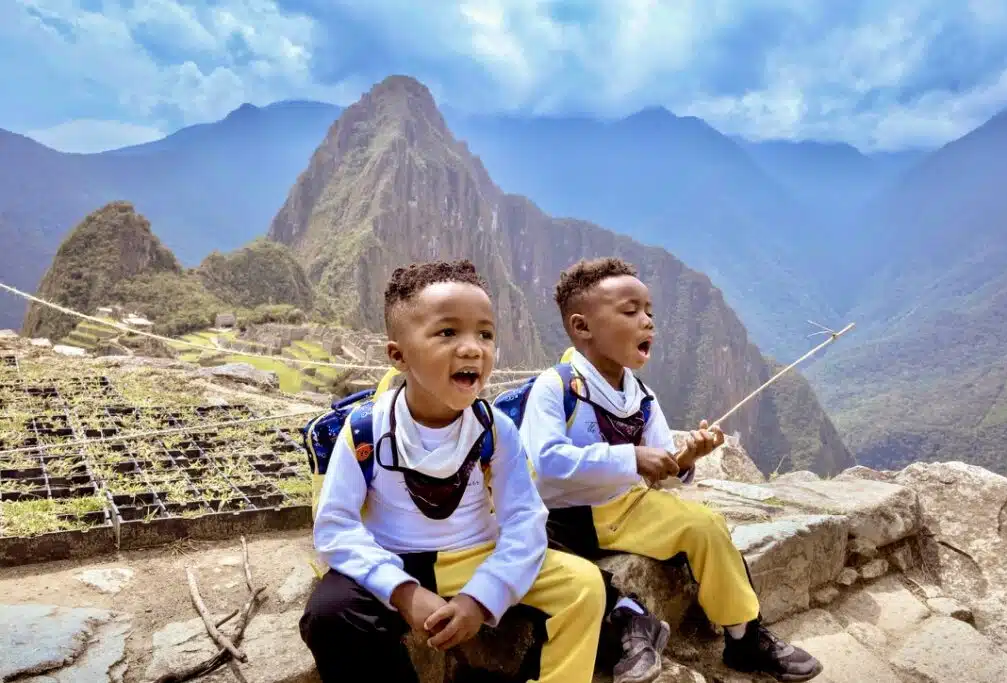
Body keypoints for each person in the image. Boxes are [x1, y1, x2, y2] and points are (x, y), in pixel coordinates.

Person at [299, 260, 606, 683]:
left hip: (475, 555)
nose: (472, 348)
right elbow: (335, 526)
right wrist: (402, 592)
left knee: (585, 585)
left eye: (485, 333)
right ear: (398, 355)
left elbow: (524, 519)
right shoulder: (364, 430)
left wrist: (481, 598)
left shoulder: (495, 430)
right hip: (395, 560)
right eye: (448, 333)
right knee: (330, 613)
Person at [518, 257, 823, 682]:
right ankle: (626, 619)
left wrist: (686, 459)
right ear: (582, 327)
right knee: (529, 552)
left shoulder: (641, 396)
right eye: (630, 312)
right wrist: (631, 457)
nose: (647, 323)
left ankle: (744, 636)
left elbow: (664, 463)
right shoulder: (556, 387)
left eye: (649, 313)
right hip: (561, 517)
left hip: (625, 504)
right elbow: (547, 460)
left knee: (705, 526)